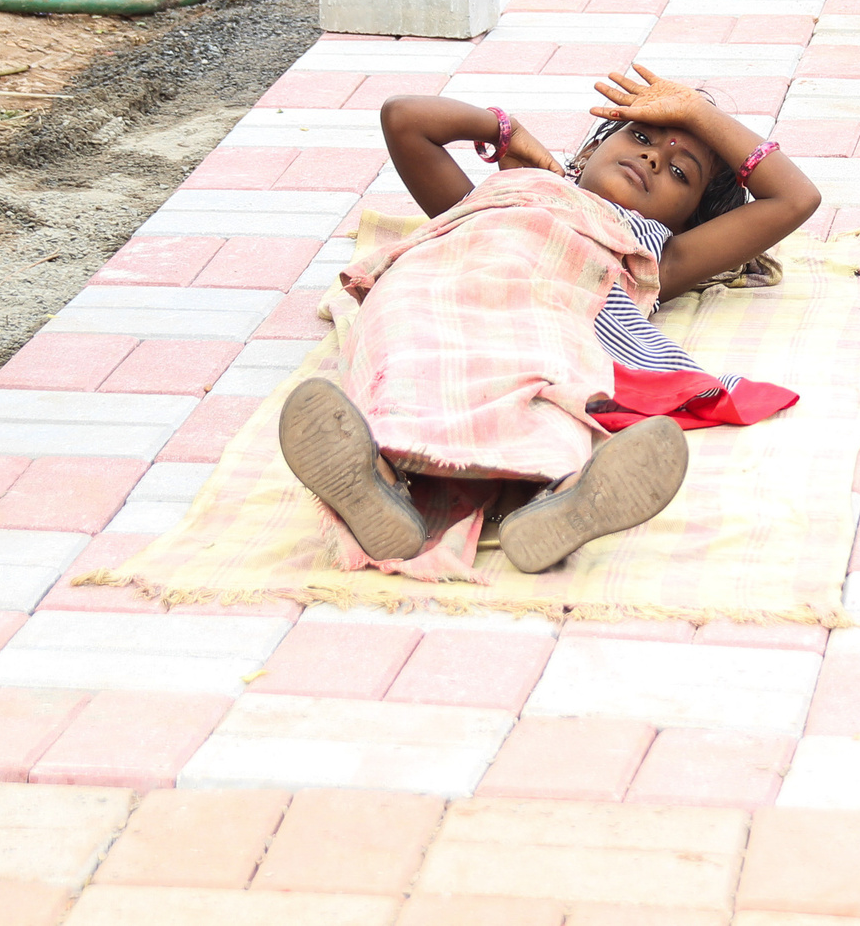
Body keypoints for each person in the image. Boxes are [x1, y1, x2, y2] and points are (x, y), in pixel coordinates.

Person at [278, 66, 819, 580]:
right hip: (431, 290)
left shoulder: (658, 253)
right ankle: (379, 486)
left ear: (686, 221)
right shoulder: (488, 198)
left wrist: (698, 114)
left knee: (546, 382)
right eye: (642, 138)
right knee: (405, 355)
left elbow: (795, 198)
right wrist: (503, 131)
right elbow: (403, 117)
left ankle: (558, 499)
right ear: (590, 148)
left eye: (680, 172)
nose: (655, 160)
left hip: (547, 310)